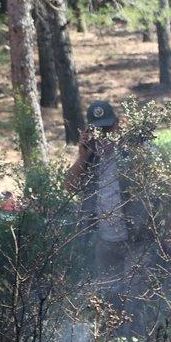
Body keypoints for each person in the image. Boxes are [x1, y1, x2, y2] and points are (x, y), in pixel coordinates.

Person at [65, 100, 130, 279]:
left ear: (117, 125)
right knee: (107, 294)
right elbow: (70, 186)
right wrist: (82, 156)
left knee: (135, 297)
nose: (103, 136)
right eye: (98, 131)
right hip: (104, 242)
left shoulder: (132, 154)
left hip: (136, 240)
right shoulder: (91, 158)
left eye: (107, 129)